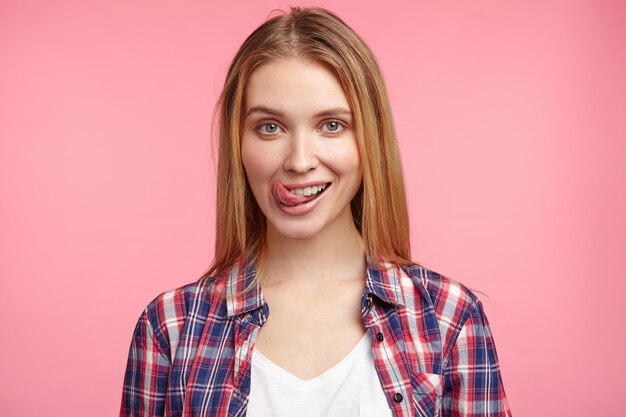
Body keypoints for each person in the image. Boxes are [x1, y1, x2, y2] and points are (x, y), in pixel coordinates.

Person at [120, 7, 511, 417]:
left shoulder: (449, 318)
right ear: (238, 144)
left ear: (370, 140)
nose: (300, 161)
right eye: (270, 127)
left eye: (332, 125)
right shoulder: (171, 327)